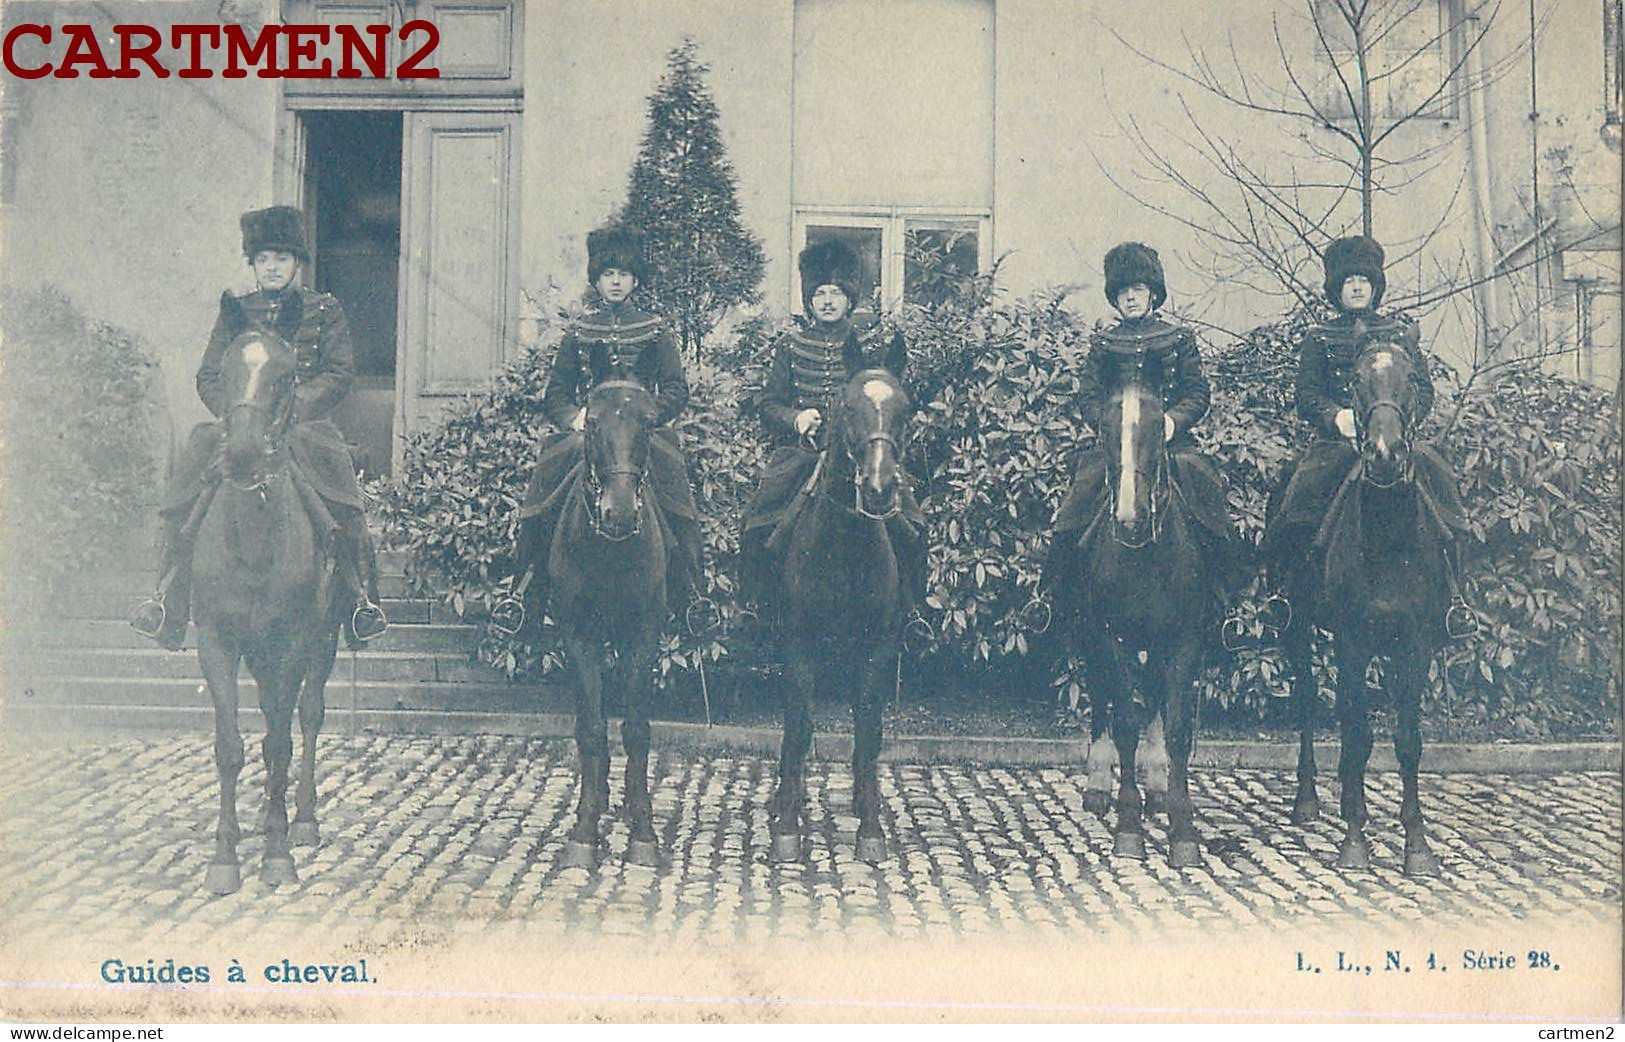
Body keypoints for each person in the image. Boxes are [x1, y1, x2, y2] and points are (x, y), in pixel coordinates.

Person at [130, 206, 388, 649]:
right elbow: (209, 375)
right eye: (264, 258)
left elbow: (339, 372)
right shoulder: (236, 311)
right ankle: (166, 598)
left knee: (343, 496)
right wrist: (238, 414)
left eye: (282, 258)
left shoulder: (324, 310)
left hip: (303, 426)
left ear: (298, 263)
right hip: (242, 424)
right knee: (187, 484)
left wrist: (293, 409)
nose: (272, 266)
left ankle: (362, 601)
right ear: (252, 263)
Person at [513, 222, 705, 619]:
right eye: (607, 275)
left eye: (623, 275)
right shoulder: (580, 330)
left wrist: (652, 416)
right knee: (544, 486)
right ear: (597, 281)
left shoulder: (655, 330)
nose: (615, 282)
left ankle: (693, 595)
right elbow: (557, 392)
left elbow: (675, 388)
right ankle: (523, 591)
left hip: (642, 437)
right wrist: (575, 417)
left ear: (635, 279)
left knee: (678, 496)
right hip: (591, 436)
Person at [1042, 242, 1237, 623]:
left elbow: (1197, 392)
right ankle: (1053, 595)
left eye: (1138, 289)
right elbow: (1089, 396)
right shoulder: (1104, 343)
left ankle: (1227, 597)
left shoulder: (1179, 339)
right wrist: (1110, 429)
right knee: (1079, 498)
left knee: (1206, 490)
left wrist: (1172, 421)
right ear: (1115, 298)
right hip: (1116, 448)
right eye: (1122, 291)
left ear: (1153, 293)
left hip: (1170, 445)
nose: (1130, 297)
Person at [1259, 234, 1445, 629]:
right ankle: (1285, 593)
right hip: (1339, 443)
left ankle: (1453, 598)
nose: (1357, 286)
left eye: (1363, 279)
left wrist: (1403, 425)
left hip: (1396, 440)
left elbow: (1423, 390)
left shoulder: (1400, 334)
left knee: (1442, 486)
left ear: (1375, 286)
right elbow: (1307, 395)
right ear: (1336, 289)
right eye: (1348, 281)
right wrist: (1335, 417)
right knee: (1298, 497)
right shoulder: (1319, 338)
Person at [738, 239, 924, 623]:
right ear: (809, 299)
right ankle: (757, 608)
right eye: (820, 293)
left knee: (911, 524)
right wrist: (797, 419)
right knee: (760, 518)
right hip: (802, 456)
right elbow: (769, 404)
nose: (827, 301)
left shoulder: (870, 345)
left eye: (836, 293)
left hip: (862, 456)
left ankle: (912, 610)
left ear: (849, 298)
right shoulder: (791, 346)